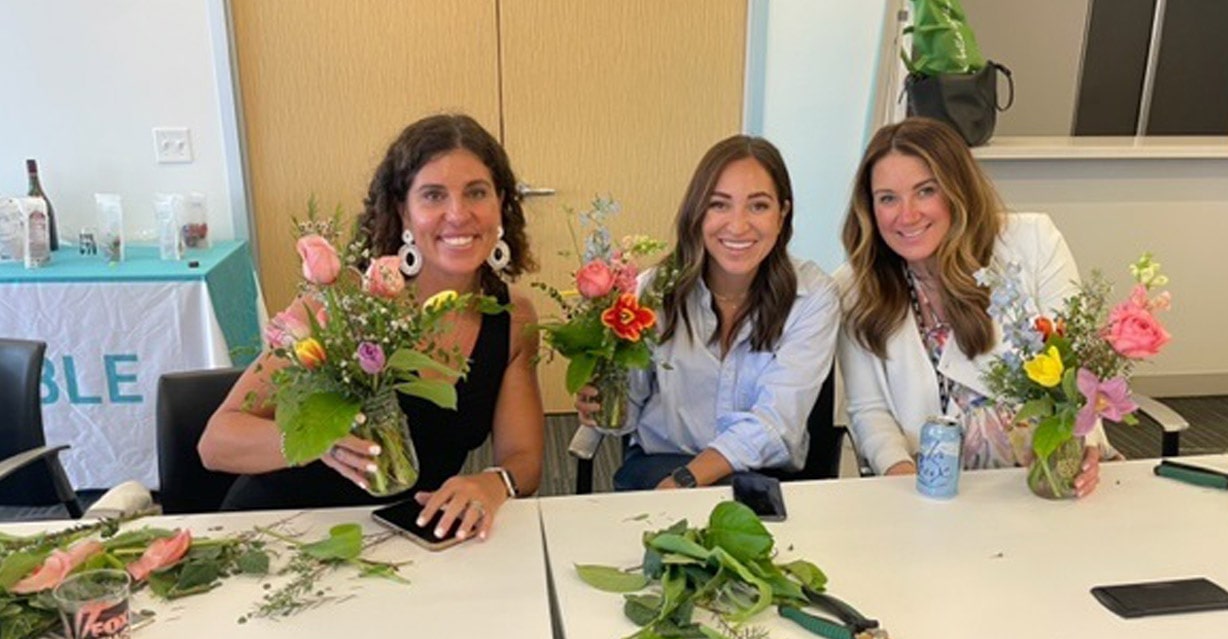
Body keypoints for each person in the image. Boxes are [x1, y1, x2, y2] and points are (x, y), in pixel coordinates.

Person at [199, 113, 544, 538]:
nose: (458, 214)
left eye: (476, 192)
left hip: (401, 537)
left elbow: (523, 459)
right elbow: (216, 442)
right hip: (284, 531)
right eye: (433, 196)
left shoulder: (513, 320)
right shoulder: (339, 307)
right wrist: (319, 444)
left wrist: (493, 483)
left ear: (501, 205)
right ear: (403, 212)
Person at [836, 117, 1104, 496]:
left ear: (956, 190)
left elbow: (1078, 369)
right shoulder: (854, 288)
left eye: (926, 191)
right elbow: (869, 412)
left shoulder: (1033, 242)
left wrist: (1083, 446)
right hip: (929, 487)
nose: (907, 214)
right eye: (888, 198)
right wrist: (904, 479)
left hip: (1042, 475)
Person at [575, 135, 840, 490]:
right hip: (659, 465)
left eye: (758, 206)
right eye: (719, 205)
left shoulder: (812, 297)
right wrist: (604, 400)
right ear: (697, 212)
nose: (738, 225)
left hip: (757, 475)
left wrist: (688, 479)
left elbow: (776, 422)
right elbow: (628, 416)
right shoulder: (653, 291)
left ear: (782, 215)